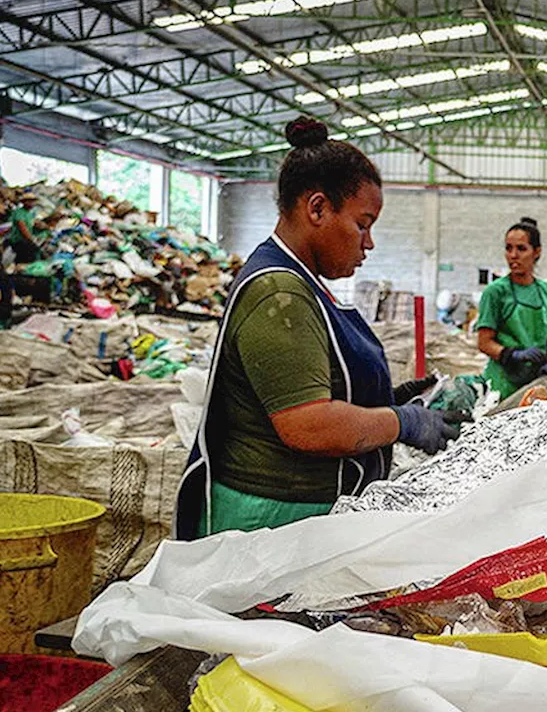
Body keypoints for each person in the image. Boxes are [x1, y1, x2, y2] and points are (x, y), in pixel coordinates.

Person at [174, 117, 459, 539]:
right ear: (318, 208)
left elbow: (312, 381)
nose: (369, 243)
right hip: (269, 524)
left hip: (302, 516)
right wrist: (402, 422)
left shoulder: (303, 282)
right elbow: (309, 425)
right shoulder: (277, 291)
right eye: (362, 224)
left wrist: (382, 399)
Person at [477, 219, 547, 397]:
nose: (513, 255)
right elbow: (484, 342)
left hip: (535, 382)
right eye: (508, 248)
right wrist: (512, 355)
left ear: (537, 252)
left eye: (521, 248)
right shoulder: (496, 292)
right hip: (503, 384)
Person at [9, 195, 41, 264]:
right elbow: (22, 227)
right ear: (24, 202)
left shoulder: (30, 214)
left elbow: (33, 224)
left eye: (33, 201)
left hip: (26, 240)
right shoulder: (19, 212)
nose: (32, 203)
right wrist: (32, 240)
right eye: (29, 201)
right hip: (19, 241)